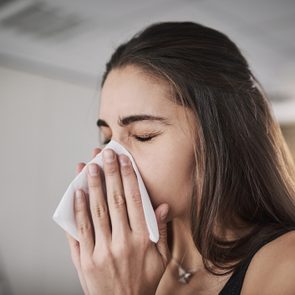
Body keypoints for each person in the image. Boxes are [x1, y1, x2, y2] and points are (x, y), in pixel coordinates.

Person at [65, 21, 295, 294]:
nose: (109, 161)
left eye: (143, 134)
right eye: (107, 138)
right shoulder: (126, 260)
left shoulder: (286, 264)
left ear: (220, 136)